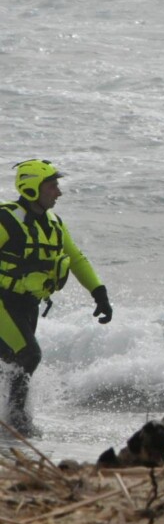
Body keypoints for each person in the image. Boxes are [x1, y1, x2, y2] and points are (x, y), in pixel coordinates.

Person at [0, 160, 112, 435]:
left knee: (12, 363)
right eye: (52, 186)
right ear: (30, 188)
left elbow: (75, 258)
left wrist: (99, 292)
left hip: (28, 305)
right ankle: (18, 423)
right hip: (3, 302)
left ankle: (9, 422)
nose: (58, 193)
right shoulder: (5, 219)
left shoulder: (54, 224)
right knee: (29, 355)